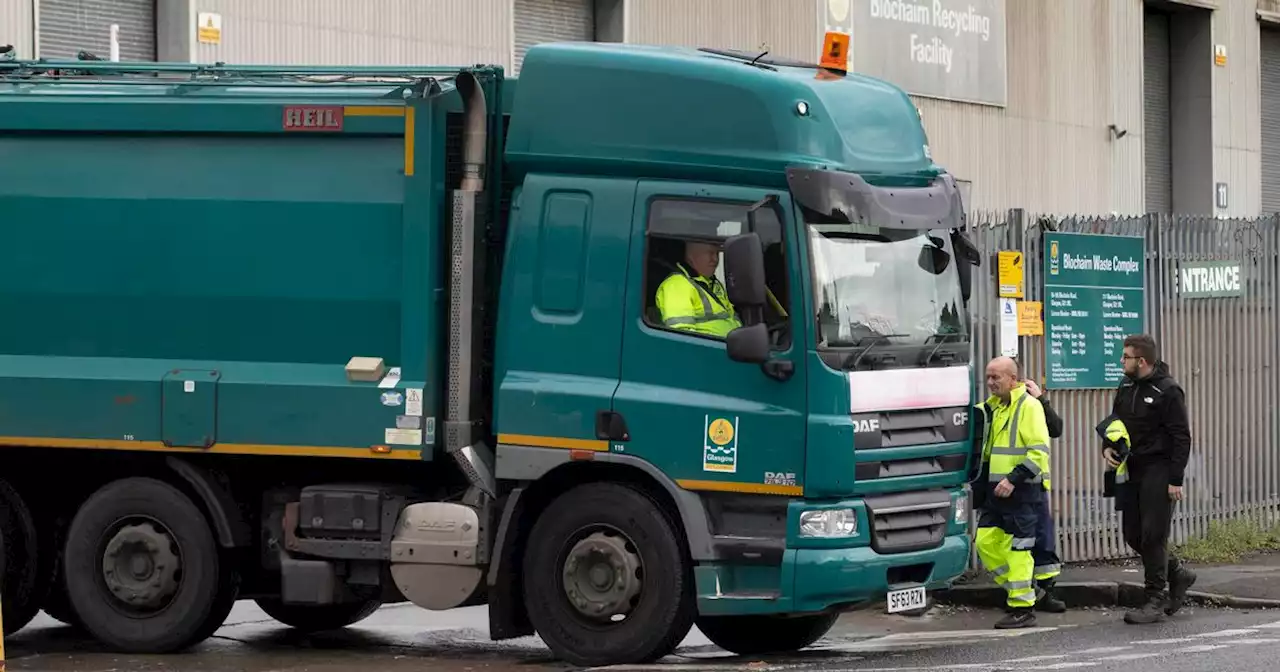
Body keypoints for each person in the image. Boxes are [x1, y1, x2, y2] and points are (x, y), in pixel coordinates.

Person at [1103, 334, 1195, 624]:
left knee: (1153, 535)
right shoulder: (1126, 385)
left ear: (1141, 361)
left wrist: (1175, 479)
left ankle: (1155, 598)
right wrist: (1107, 447)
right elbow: (1115, 422)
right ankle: (1178, 573)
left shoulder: (1168, 390)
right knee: (1133, 534)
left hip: (1160, 468)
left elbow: (1182, 437)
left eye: (1125, 356)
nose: (1121, 361)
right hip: (1132, 467)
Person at [972, 356, 1054, 629]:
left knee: (1019, 549)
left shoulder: (1029, 407)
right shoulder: (990, 409)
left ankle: (1022, 607)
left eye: (996, 377)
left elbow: (1039, 451)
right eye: (988, 377)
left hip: (1020, 492)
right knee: (984, 542)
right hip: (995, 493)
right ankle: (1025, 589)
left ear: (1013, 379)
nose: (991, 382)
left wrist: (1013, 478)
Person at [1021, 377, 1066, 613]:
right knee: (1017, 544)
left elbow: (1056, 428)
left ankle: (1046, 592)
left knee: (1042, 539)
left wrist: (1040, 399)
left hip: (1035, 484)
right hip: (1008, 486)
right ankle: (1026, 592)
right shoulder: (998, 407)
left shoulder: (1031, 402)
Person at [655, 240, 741, 338]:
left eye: (717, 253)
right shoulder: (677, 285)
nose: (715, 259)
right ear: (691, 256)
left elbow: (732, 318)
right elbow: (682, 337)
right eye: (710, 253)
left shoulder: (713, 283)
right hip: (707, 351)